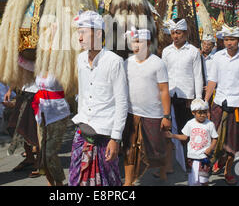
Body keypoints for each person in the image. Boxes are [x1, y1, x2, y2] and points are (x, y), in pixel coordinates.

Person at [69, 10, 128, 186]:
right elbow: (83, 94)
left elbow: (121, 103)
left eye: (83, 32)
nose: (79, 37)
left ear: (98, 33)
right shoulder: (80, 59)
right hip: (82, 132)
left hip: (105, 137)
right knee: (75, 180)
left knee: (107, 184)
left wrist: (115, 139)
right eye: (78, 32)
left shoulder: (114, 61)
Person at [204, 25, 239, 185]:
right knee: (212, 138)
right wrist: (205, 102)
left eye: (232, 39)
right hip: (219, 103)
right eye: (226, 39)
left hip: (238, 106)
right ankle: (211, 164)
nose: (229, 43)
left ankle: (228, 171)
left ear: (238, 40)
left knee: (235, 142)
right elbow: (212, 81)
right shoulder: (217, 57)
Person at [122, 27, 171, 186]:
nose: (136, 45)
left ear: (148, 43)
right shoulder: (126, 63)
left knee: (157, 149)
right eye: (134, 42)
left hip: (154, 115)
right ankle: (128, 182)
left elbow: (164, 91)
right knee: (129, 149)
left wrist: (166, 115)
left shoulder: (158, 63)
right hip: (132, 114)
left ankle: (162, 173)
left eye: (139, 42)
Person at [161, 18, 203, 170]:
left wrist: (198, 100)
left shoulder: (193, 51)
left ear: (185, 33)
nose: (175, 36)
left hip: (187, 98)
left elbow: (198, 76)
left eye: (178, 33)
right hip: (170, 96)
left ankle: (190, 159)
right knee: (169, 131)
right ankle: (169, 164)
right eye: (173, 33)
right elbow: (162, 76)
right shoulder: (166, 51)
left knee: (187, 131)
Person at [165, 99, 218, 186]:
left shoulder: (210, 124)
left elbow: (215, 138)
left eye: (205, 112)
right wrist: (173, 136)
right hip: (192, 158)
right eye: (200, 113)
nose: (203, 115)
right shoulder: (190, 123)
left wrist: (210, 148)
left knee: (204, 179)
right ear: (193, 113)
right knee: (192, 181)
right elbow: (185, 136)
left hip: (204, 157)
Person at [33, 73, 70, 186]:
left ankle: (59, 182)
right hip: (41, 111)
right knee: (43, 152)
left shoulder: (61, 66)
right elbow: (21, 61)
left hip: (58, 113)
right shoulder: (39, 66)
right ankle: (49, 182)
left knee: (50, 152)